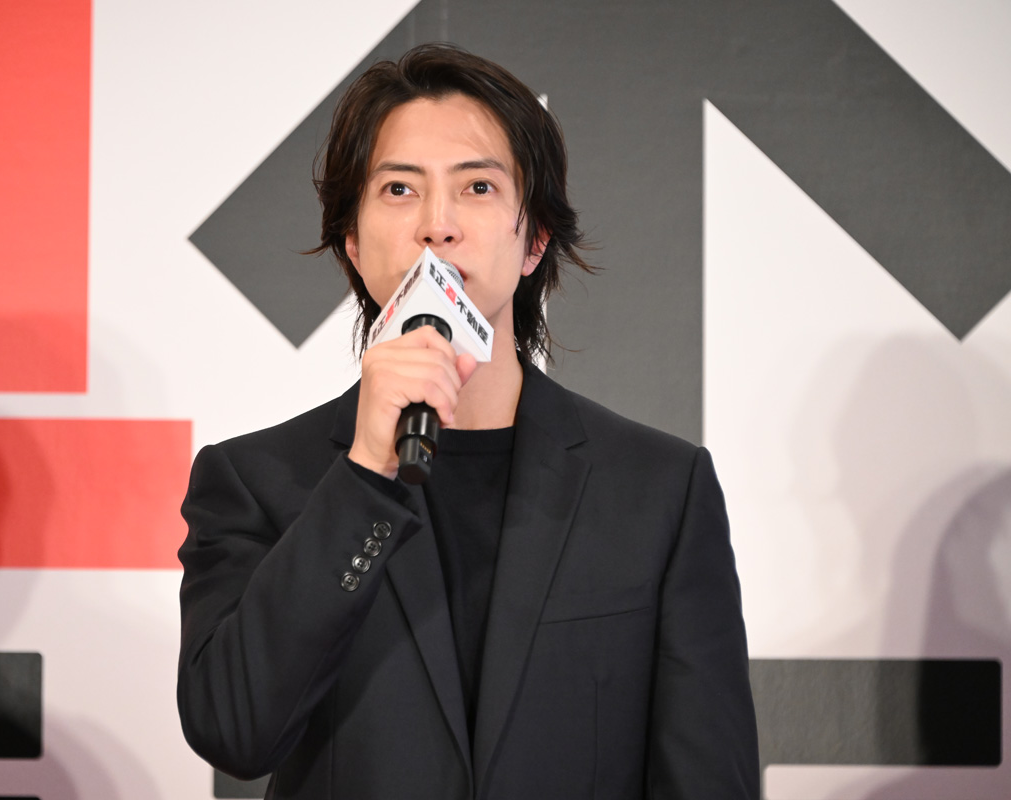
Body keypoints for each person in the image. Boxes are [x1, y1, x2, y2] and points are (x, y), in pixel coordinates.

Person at [177, 43, 759, 799]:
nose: (437, 225)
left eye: (478, 186)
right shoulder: (256, 481)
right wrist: (364, 475)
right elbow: (232, 731)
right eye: (398, 189)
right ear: (352, 241)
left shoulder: (657, 489)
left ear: (534, 239)